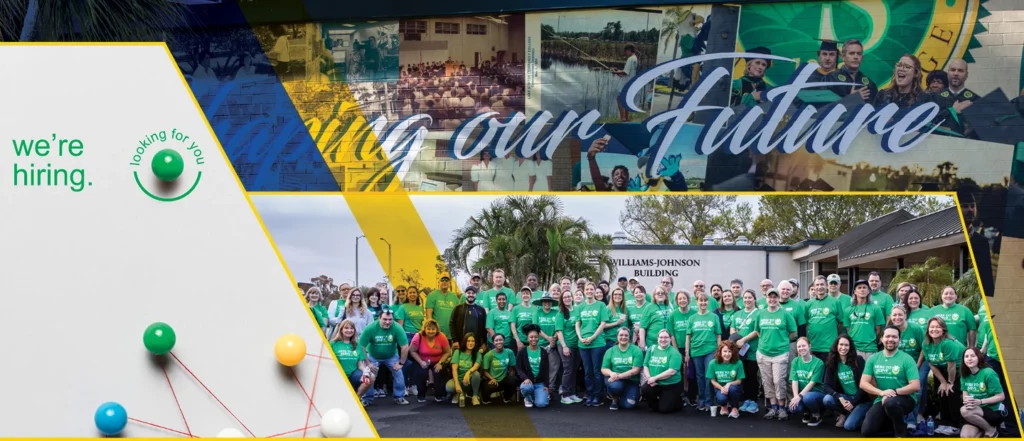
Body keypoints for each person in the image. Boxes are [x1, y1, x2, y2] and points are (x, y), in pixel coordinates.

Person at [859, 326, 921, 437]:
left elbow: (915, 386)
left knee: (890, 402)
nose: (890, 339)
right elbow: (863, 383)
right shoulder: (873, 358)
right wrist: (881, 393)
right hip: (882, 398)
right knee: (867, 432)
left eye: (894, 337)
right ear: (881, 339)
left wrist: (892, 392)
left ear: (899, 340)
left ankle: (900, 434)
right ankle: (893, 426)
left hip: (905, 398)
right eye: (887, 336)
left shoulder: (907, 359)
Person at [749, 288, 798, 421]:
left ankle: (782, 408)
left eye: (775, 297)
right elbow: (757, 331)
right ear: (766, 299)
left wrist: (782, 341)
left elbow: (793, 332)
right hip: (763, 353)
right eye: (770, 297)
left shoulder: (785, 314)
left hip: (780, 353)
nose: (772, 299)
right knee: (767, 381)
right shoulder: (760, 314)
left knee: (778, 380)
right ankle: (773, 407)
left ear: (778, 298)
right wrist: (766, 341)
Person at [358, 308, 410, 405]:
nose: (387, 322)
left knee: (398, 373)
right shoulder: (370, 328)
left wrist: (401, 363)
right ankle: (366, 399)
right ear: (379, 318)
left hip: (391, 356)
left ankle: (399, 397)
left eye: (390, 319)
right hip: (373, 356)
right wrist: (368, 363)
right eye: (385, 319)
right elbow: (361, 346)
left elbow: (405, 346)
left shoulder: (397, 327)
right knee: (368, 375)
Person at [924, 316, 967, 432]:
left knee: (951, 392)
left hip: (960, 370)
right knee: (941, 391)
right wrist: (943, 382)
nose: (934, 329)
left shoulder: (948, 343)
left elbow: (951, 366)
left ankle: (955, 425)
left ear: (943, 329)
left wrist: (949, 383)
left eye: (938, 327)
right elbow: (932, 365)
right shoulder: (926, 344)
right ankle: (945, 421)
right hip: (942, 369)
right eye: (932, 327)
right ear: (928, 329)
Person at [823, 334, 870, 431]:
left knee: (849, 426)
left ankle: (864, 415)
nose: (843, 348)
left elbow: (864, 385)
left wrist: (853, 402)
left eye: (846, 345)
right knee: (827, 399)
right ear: (836, 346)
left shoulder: (858, 360)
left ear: (850, 347)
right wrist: (838, 397)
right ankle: (843, 413)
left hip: (861, 399)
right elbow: (826, 385)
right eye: (841, 344)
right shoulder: (832, 362)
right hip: (846, 397)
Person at [576, 282, 611, 407]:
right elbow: (577, 324)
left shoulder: (601, 305)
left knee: (597, 371)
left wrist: (592, 337)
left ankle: (598, 396)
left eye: (592, 289)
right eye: (587, 289)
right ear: (584, 291)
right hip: (583, 344)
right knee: (587, 371)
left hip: (597, 343)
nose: (589, 291)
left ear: (595, 291)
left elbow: (603, 323)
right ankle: (589, 394)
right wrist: (580, 337)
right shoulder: (580, 306)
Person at [960, 347, 1007, 438]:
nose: (969, 358)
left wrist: (980, 401)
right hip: (975, 412)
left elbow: (1001, 396)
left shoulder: (988, 373)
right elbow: (965, 395)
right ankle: (986, 428)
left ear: (979, 357)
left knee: (964, 410)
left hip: (993, 410)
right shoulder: (964, 375)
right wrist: (967, 401)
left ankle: (991, 431)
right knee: (965, 436)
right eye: (966, 356)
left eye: (973, 356)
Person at [688, 291, 723, 411]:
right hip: (696, 350)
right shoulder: (692, 318)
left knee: (709, 376)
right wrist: (687, 352)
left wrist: (719, 351)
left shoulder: (714, 317)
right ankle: (701, 401)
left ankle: (709, 402)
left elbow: (718, 335)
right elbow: (688, 336)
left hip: (710, 350)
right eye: (701, 300)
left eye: (705, 300)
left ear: (708, 302)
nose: (703, 303)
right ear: (697, 302)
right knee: (699, 376)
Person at [331, 319, 374, 406]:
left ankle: (356, 399)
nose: (349, 330)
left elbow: (360, 363)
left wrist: (365, 371)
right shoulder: (333, 344)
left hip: (353, 375)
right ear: (341, 330)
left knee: (371, 377)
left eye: (351, 328)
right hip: (337, 376)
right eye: (346, 328)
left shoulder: (356, 345)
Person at [407, 319, 452, 403]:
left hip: (437, 361)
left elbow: (447, 352)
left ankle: (439, 395)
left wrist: (440, 363)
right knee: (421, 373)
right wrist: (421, 362)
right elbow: (412, 351)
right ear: (424, 329)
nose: (431, 331)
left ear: (437, 329)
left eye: (433, 329)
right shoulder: (418, 336)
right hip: (422, 360)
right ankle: (421, 395)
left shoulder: (442, 336)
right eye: (428, 329)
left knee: (438, 373)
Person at [642, 329, 684, 413]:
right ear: (657, 338)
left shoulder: (674, 353)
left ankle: (677, 400)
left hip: (670, 385)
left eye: (666, 337)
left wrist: (655, 378)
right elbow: (645, 365)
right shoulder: (651, 349)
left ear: (670, 339)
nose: (663, 339)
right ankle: (657, 403)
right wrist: (649, 378)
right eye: (661, 337)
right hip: (655, 383)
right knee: (645, 390)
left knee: (664, 410)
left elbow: (672, 371)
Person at [733, 289, 761, 414]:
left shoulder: (759, 313)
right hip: (739, 351)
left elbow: (757, 330)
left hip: (752, 350)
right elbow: (733, 328)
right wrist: (736, 341)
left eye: (750, 297)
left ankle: (753, 401)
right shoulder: (737, 314)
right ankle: (746, 400)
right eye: (745, 298)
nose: (747, 300)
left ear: (754, 299)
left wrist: (743, 340)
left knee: (751, 376)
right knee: (742, 377)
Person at [602, 327, 644, 410]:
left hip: (631, 380)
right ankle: (615, 399)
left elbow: (636, 370)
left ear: (629, 337)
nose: (623, 337)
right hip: (615, 380)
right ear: (617, 336)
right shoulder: (610, 351)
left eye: (626, 335)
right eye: (621, 335)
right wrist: (611, 373)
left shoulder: (636, 350)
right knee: (615, 387)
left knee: (628, 405)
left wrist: (619, 376)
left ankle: (625, 395)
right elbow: (604, 369)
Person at [788, 337, 826, 427]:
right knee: (793, 408)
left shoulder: (818, 363)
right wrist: (795, 397)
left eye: (804, 346)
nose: (801, 348)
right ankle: (807, 412)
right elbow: (794, 380)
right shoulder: (795, 361)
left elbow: (812, 383)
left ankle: (816, 415)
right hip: (802, 394)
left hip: (816, 394)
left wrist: (799, 397)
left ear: (809, 346)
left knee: (807, 397)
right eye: (799, 346)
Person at [533, 288, 565, 394]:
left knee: (554, 366)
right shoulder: (537, 312)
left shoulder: (557, 312)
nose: (547, 303)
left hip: (553, 345)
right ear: (542, 302)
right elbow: (536, 328)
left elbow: (559, 327)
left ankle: (550, 388)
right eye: (545, 301)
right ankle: (538, 387)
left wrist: (553, 339)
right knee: (539, 367)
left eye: (549, 301)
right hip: (540, 344)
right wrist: (548, 338)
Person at [826, 39, 877, 103]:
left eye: (859, 54)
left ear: (862, 57)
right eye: (852, 53)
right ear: (843, 57)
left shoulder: (869, 84)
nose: (856, 57)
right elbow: (824, 106)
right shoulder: (831, 79)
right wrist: (850, 100)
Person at [806, 275, 844, 361]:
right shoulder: (808, 304)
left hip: (829, 347)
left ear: (827, 286)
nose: (819, 287)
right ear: (814, 287)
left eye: (822, 284)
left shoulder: (836, 302)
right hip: (813, 346)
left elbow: (841, 323)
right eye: (817, 285)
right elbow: (806, 324)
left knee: (829, 369)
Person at [847, 279, 884, 359]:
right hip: (853, 348)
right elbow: (848, 330)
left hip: (870, 348)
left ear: (868, 291)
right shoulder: (848, 310)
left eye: (864, 287)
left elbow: (878, 330)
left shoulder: (876, 308)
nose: (862, 290)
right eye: (859, 288)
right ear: (855, 292)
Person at [707, 340, 745, 419]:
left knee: (732, 389)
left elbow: (739, 380)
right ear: (720, 352)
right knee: (721, 399)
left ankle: (734, 408)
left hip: (734, 387)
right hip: (719, 387)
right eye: (725, 351)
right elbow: (713, 380)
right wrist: (721, 388)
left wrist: (729, 384)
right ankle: (724, 406)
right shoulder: (713, 363)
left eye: (729, 351)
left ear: (733, 352)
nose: (727, 354)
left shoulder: (738, 363)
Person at [517, 324, 551, 408]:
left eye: (535, 337)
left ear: (538, 337)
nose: (533, 339)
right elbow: (518, 368)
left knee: (542, 404)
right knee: (526, 388)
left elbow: (546, 370)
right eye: (531, 337)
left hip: (539, 383)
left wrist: (546, 386)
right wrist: (525, 378)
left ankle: (535, 395)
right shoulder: (522, 352)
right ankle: (528, 398)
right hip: (528, 382)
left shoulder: (543, 352)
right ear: (527, 338)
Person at [558, 290, 583, 404]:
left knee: (574, 369)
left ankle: (572, 393)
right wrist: (564, 346)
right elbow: (559, 331)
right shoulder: (560, 313)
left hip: (577, 345)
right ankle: (565, 394)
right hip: (566, 345)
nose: (567, 299)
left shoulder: (577, 310)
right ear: (562, 300)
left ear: (572, 298)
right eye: (564, 297)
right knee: (568, 370)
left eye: (569, 296)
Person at [480, 334, 518, 404]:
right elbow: (484, 371)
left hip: (503, 379)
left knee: (514, 380)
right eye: (496, 340)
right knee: (488, 387)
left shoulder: (509, 352)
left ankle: (506, 397)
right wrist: (492, 378)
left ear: (504, 341)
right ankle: (485, 398)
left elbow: (512, 367)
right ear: (493, 342)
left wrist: (510, 378)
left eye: (501, 340)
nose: (499, 342)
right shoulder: (488, 355)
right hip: (492, 380)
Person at [448, 333, 483, 407]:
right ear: (464, 342)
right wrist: (457, 384)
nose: (471, 343)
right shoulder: (458, 352)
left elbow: (476, 366)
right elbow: (454, 369)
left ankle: (475, 396)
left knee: (476, 374)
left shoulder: (478, 354)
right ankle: (458, 393)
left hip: (469, 381)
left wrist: (467, 374)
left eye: (473, 341)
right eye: (468, 341)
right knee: (449, 387)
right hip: (458, 380)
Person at [426, 273, 462, 340]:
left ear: (449, 283)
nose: (444, 282)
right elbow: (429, 315)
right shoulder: (432, 295)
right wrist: (432, 330)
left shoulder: (454, 297)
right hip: (436, 333)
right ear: (439, 282)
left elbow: (458, 315)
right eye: (442, 280)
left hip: (451, 334)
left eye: (446, 280)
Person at [449, 286, 487, 350]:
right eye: (469, 293)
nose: (471, 295)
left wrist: (484, 342)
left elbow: (484, 327)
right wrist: (455, 340)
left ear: (476, 295)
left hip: (477, 343)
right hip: (460, 342)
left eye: (473, 293)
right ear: (465, 294)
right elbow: (451, 324)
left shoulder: (481, 310)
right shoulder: (458, 308)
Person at [611, 43, 640, 121]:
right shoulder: (635, 58)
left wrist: (615, 72)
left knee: (619, 99)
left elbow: (625, 72)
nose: (625, 53)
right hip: (631, 83)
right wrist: (618, 72)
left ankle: (622, 118)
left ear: (629, 50)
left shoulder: (630, 59)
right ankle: (626, 117)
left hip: (626, 84)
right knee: (627, 100)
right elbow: (629, 72)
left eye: (626, 51)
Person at [640, 286, 673, 351]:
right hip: (653, 343)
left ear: (666, 295)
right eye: (658, 293)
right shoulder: (649, 307)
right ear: (654, 295)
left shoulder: (669, 306)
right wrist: (642, 343)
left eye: (662, 293)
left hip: (668, 342)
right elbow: (642, 327)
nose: (660, 294)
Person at [511, 287, 538, 352]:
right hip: (519, 340)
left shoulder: (535, 309)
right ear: (521, 296)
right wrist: (518, 341)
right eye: (523, 294)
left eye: (527, 293)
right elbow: (512, 326)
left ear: (531, 296)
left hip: (531, 340)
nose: (525, 295)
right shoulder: (515, 309)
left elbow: (536, 326)